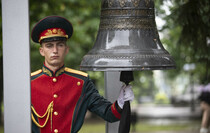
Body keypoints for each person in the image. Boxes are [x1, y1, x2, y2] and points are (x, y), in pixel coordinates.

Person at [30, 15, 134, 133]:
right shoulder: (29, 83)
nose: (55, 50)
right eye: (49, 46)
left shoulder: (81, 82)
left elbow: (109, 114)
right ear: (41, 51)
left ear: (66, 49)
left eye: (60, 45)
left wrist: (121, 102)